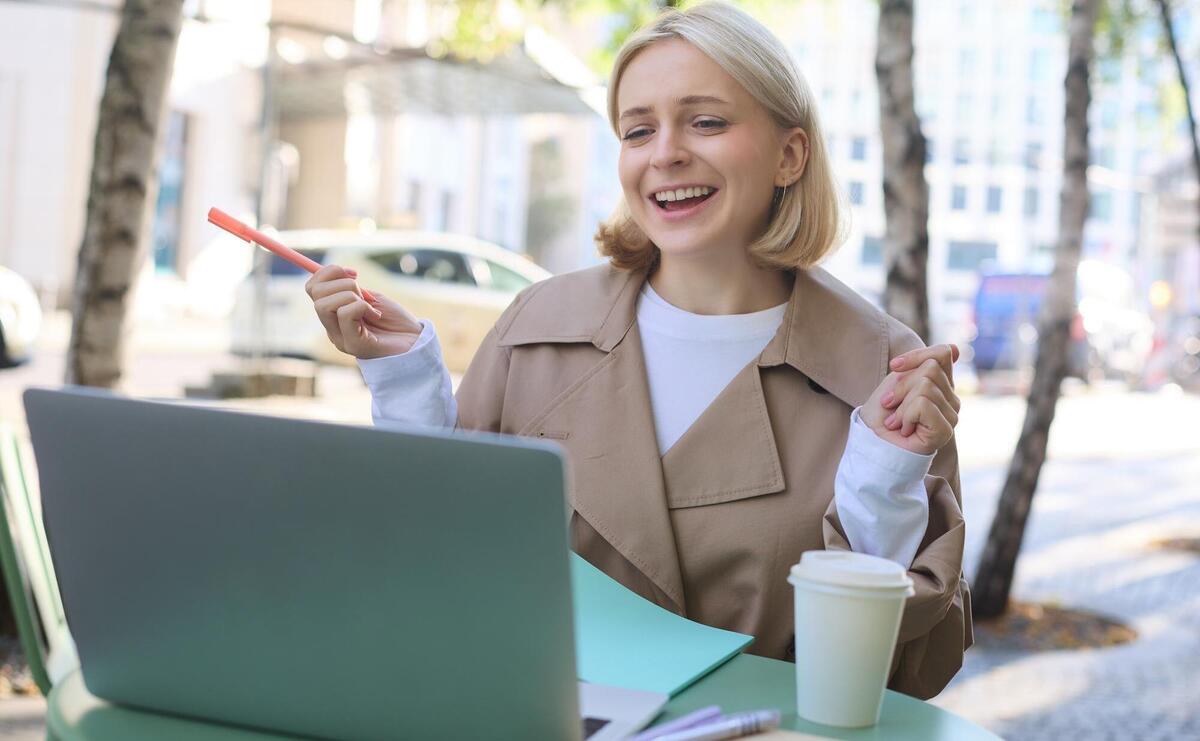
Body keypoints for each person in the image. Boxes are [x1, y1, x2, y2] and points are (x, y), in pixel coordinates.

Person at [305, 1, 970, 699]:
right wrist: (404, 381)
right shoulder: (537, 326)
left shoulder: (883, 371)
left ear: (790, 154)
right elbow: (441, 560)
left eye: (706, 121)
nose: (665, 153)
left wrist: (884, 479)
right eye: (637, 129)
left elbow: (899, 672)